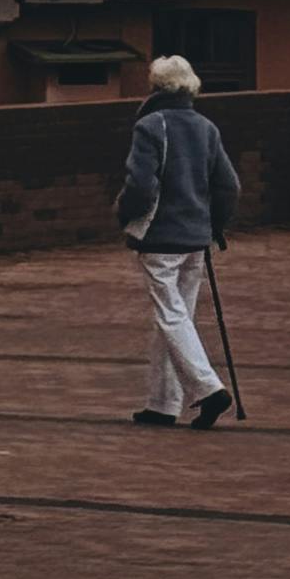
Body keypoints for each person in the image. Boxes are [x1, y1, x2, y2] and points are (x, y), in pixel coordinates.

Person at [115, 53, 242, 429]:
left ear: (156, 87)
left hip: (159, 236)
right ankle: (162, 403)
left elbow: (139, 185)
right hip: (196, 239)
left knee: (170, 317)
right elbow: (229, 186)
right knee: (175, 319)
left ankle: (208, 389)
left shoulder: (151, 125)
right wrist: (214, 225)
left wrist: (124, 214)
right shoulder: (206, 127)